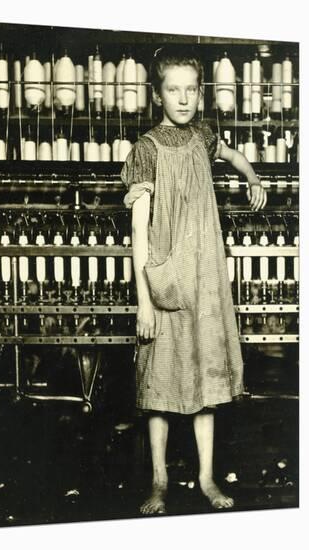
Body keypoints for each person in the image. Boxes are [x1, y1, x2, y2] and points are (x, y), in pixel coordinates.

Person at [121, 46, 267, 515]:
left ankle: (205, 479)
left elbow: (232, 154)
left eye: (190, 90)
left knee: (205, 385)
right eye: (172, 89)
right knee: (160, 389)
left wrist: (253, 178)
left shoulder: (204, 136)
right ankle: (159, 482)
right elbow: (138, 234)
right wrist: (144, 302)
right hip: (165, 284)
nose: (182, 99)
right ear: (157, 93)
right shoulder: (145, 150)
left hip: (205, 282)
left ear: (200, 93)